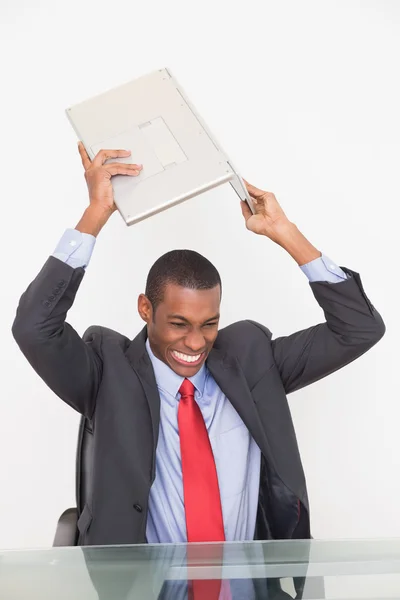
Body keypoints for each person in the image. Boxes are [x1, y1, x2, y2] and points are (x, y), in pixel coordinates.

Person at [12, 143, 385, 551]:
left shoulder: (252, 359)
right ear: (145, 309)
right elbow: (34, 327)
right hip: (143, 591)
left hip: (249, 591)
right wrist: (96, 213)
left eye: (209, 324)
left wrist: (286, 234)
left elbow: (359, 328)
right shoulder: (106, 370)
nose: (195, 342)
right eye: (178, 324)